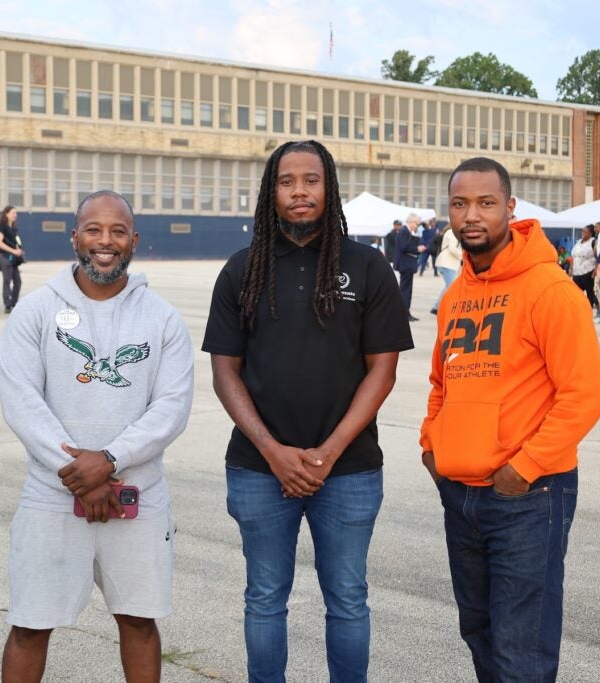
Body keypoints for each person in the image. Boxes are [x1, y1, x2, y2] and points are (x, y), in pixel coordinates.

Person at [202, 140, 413, 682]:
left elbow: (382, 372)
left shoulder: (367, 267)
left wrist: (326, 453)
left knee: (347, 600)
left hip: (348, 469)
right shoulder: (242, 270)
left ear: (330, 187)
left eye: (311, 180)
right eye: (287, 180)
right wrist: (273, 452)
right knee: (264, 599)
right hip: (257, 467)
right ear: (271, 191)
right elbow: (226, 372)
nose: (300, 191)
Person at [420, 157, 600, 683]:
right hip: (460, 493)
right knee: (479, 633)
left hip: (527, 497)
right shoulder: (456, 295)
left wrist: (523, 468)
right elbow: (442, 383)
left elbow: (584, 395)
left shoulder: (549, 290)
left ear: (510, 207)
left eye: (485, 203)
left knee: (521, 648)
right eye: (459, 204)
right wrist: (431, 446)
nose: (471, 216)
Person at [0, 190, 194, 682]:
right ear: (75, 237)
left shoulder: (163, 319)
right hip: (51, 494)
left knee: (138, 620)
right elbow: (22, 401)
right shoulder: (36, 312)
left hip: (137, 495)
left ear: (133, 240)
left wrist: (108, 461)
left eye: (117, 231)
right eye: (93, 229)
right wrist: (82, 474)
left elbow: (171, 408)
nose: (105, 241)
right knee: (30, 624)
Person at [394, 213, 427, 321]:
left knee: (406, 290)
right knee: (405, 291)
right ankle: (405, 314)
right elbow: (404, 247)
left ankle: (405, 313)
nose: (417, 226)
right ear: (411, 222)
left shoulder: (405, 231)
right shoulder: (404, 231)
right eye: (417, 224)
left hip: (406, 265)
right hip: (405, 265)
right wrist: (417, 249)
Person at [0, 205, 24, 313]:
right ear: (6, 214)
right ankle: (7, 305)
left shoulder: (14, 227)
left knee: (18, 282)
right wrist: (13, 251)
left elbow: (15, 242)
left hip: (14, 258)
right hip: (6, 257)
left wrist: (19, 250)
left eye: (16, 213)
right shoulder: (2, 226)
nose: (15, 215)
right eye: (13, 213)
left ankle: (13, 303)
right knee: (7, 281)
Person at [430, 222, 462, 315]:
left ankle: (436, 307)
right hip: (447, 263)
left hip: (446, 263)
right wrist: (463, 255)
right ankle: (440, 307)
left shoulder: (449, 232)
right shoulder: (452, 233)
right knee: (451, 287)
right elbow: (452, 249)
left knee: (448, 286)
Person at [569, 225, 598, 314]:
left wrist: (595, 271)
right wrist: (571, 267)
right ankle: (578, 307)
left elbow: (598, 257)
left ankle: (589, 309)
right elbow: (573, 256)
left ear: (591, 233)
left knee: (589, 292)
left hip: (588, 271)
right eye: (582, 231)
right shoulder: (578, 242)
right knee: (575, 291)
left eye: (585, 232)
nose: (583, 233)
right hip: (577, 271)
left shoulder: (593, 242)